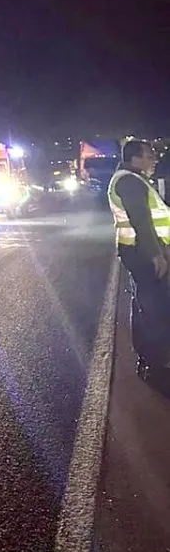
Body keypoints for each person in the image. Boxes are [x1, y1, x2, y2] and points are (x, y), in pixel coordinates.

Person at [107, 140, 170, 381]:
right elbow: (141, 221)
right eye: (149, 155)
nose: (153, 159)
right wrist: (156, 255)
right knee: (154, 306)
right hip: (142, 252)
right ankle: (157, 363)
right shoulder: (129, 181)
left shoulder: (131, 178)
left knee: (145, 303)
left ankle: (148, 357)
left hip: (137, 251)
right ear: (135, 158)